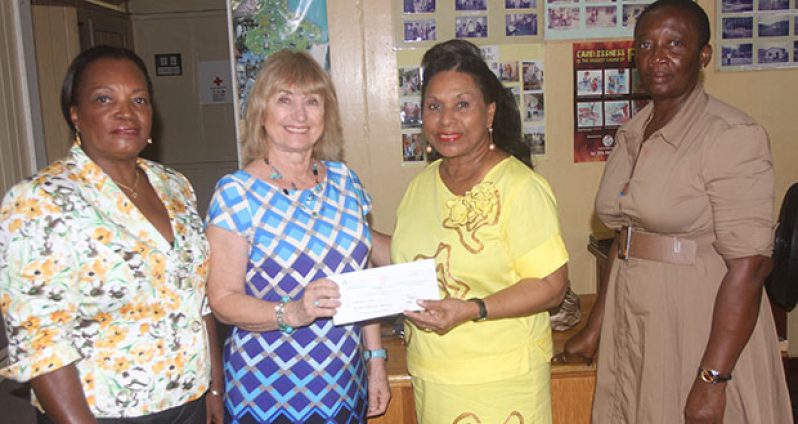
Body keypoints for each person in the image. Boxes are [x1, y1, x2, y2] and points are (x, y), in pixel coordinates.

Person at [557, 1, 793, 422]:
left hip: (698, 323)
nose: (657, 57)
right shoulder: (633, 133)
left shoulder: (731, 135)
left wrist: (712, 378)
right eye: (646, 44)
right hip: (634, 322)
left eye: (675, 43)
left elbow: (751, 266)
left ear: (703, 54)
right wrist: (594, 331)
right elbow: (624, 240)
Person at [0, 45, 224, 423]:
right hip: (99, 413)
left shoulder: (174, 186)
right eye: (105, 98)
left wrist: (213, 389)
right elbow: (40, 342)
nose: (126, 112)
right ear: (76, 114)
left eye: (139, 99)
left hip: (189, 401)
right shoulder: (40, 200)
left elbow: (196, 301)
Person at [205, 49, 390, 423]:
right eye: (284, 100)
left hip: (343, 387)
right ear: (261, 111)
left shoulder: (345, 181)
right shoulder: (235, 193)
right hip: (267, 392)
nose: (300, 115)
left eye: (312, 101)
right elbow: (222, 300)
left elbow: (361, 278)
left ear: (327, 114)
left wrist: (376, 360)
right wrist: (293, 311)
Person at [391, 39, 569, 423]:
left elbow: (552, 285)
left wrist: (473, 310)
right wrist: (348, 229)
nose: (446, 120)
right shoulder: (421, 186)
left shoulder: (520, 187)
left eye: (462, 104)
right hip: (433, 375)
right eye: (434, 106)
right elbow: (413, 259)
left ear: (489, 112)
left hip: (503, 379)